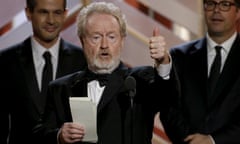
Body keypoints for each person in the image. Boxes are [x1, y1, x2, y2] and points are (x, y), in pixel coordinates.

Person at [34, 1, 178, 144]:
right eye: (96, 37)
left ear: (122, 40)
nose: (104, 45)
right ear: (82, 41)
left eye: (111, 37)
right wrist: (59, 136)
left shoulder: (140, 80)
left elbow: (168, 96)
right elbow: (39, 135)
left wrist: (163, 61)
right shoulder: (60, 88)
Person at [152, 0, 240, 143]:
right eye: (211, 3)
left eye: (224, 4)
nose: (216, 10)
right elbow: (168, 109)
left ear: (238, 12)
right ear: (204, 9)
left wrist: (213, 141)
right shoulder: (179, 56)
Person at [0, 0, 87, 144]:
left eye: (57, 13)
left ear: (65, 14)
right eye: (43, 12)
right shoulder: (5, 62)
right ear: (29, 13)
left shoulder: (83, 61)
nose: (51, 20)